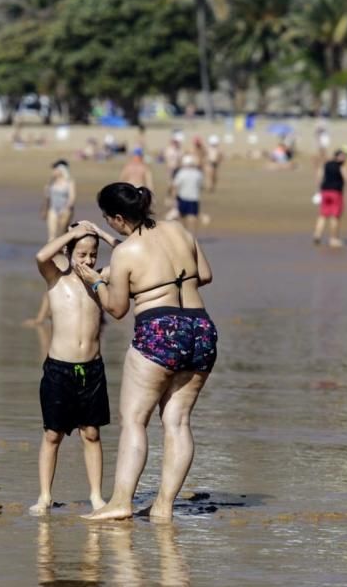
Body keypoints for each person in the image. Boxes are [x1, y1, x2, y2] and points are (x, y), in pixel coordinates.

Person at [72, 183, 217, 521]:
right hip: (201, 328)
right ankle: (164, 507)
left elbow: (117, 308)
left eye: (109, 220)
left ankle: (121, 501)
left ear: (119, 217)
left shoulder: (126, 252)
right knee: (178, 421)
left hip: (159, 331)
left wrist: (94, 281)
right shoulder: (179, 229)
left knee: (135, 420)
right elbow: (205, 275)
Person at [29, 222, 118, 515]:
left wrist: (101, 234)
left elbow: (125, 253)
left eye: (93, 254)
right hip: (59, 369)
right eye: (81, 254)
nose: (88, 260)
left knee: (91, 433)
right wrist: (72, 234)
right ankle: (44, 496)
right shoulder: (56, 277)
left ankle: (96, 496)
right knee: (52, 434)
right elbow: (42, 256)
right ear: (68, 252)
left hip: (91, 369)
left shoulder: (101, 278)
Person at [313, 149, 347, 247]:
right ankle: (333, 239)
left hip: (325, 191)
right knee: (334, 216)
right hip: (335, 193)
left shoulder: (326, 165)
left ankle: (317, 235)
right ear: (337, 157)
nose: (344, 158)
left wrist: (318, 189)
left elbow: (319, 176)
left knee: (323, 215)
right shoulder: (341, 167)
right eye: (343, 156)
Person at [43, 161, 76, 241]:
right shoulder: (51, 182)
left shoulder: (69, 182)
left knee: (62, 233)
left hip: (65, 209)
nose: (53, 171)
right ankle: (51, 250)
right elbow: (47, 198)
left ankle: (63, 250)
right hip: (53, 208)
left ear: (61, 170)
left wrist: (66, 209)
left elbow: (72, 198)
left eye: (54, 170)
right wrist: (45, 210)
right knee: (51, 235)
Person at [171, 155, 204, 235]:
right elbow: (200, 186)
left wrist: (173, 199)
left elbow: (175, 186)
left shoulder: (181, 173)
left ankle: (184, 236)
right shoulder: (198, 173)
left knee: (182, 218)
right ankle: (193, 236)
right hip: (194, 199)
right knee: (193, 218)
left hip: (182, 198)